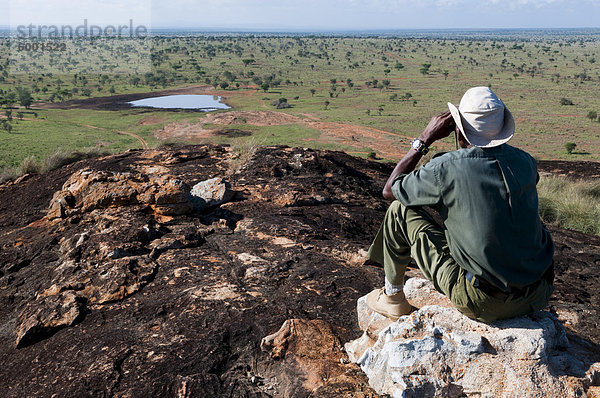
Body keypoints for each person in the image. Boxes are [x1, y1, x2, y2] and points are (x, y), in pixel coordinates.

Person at [366, 87, 554, 323]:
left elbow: (390, 190)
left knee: (399, 211)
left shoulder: (446, 168)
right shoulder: (525, 161)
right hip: (539, 293)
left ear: (458, 128)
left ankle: (392, 298)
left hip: (483, 302)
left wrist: (424, 139)